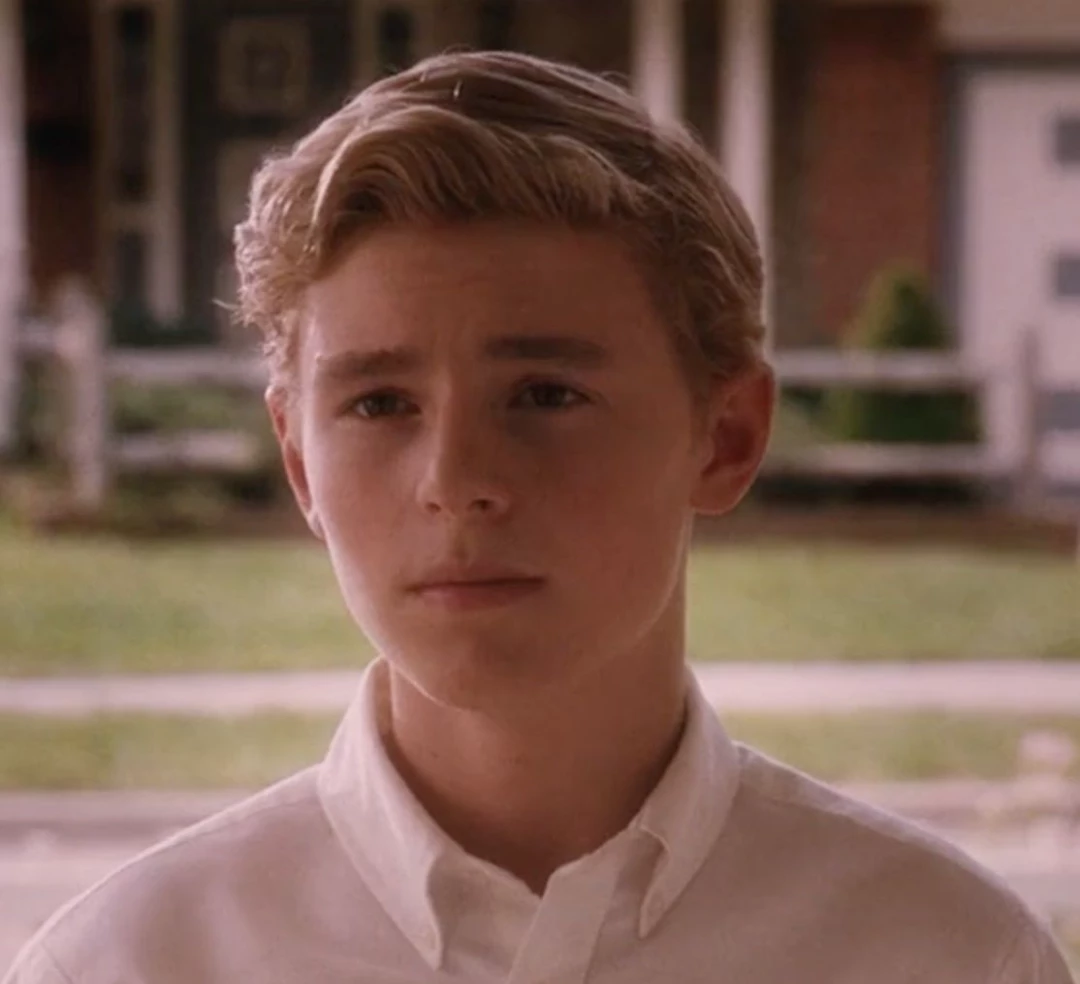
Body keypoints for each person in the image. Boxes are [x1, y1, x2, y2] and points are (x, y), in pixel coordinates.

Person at [5, 49, 1074, 984]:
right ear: (299, 462)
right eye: (379, 404)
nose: (457, 479)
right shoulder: (126, 964)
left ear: (727, 435)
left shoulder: (947, 956)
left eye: (546, 395)